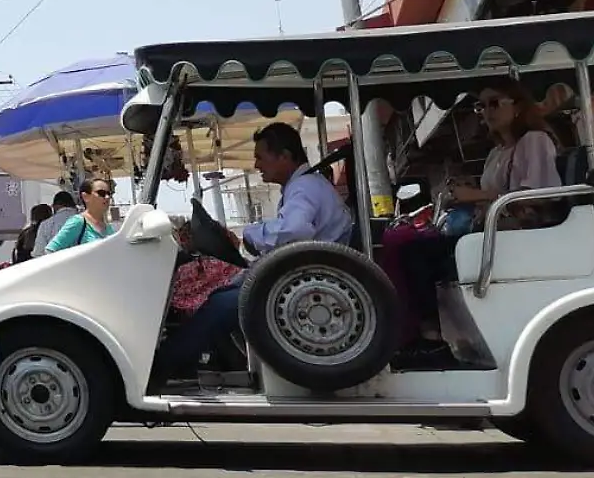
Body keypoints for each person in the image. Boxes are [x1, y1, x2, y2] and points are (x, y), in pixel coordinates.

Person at [154, 122, 353, 382]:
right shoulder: (303, 187)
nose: (257, 164)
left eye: (261, 157)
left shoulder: (305, 188)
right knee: (222, 294)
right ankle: (197, 363)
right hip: (299, 276)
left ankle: (162, 367)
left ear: (285, 156)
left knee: (220, 304)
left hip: (307, 283)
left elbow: (294, 230)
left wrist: (251, 234)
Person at [392, 79, 561, 358]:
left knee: (419, 255)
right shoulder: (496, 153)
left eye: (495, 103)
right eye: (481, 106)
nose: (486, 112)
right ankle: (433, 333)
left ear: (518, 107)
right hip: (492, 231)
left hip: (523, 234)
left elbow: (537, 195)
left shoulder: (535, 141)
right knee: (416, 249)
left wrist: (475, 195)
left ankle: (433, 337)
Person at [42, 178, 115, 253]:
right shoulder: (78, 222)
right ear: (85, 197)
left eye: (109, 193)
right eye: (101, 193)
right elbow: (50, 250)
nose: (107, 197)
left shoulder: (109, 228)